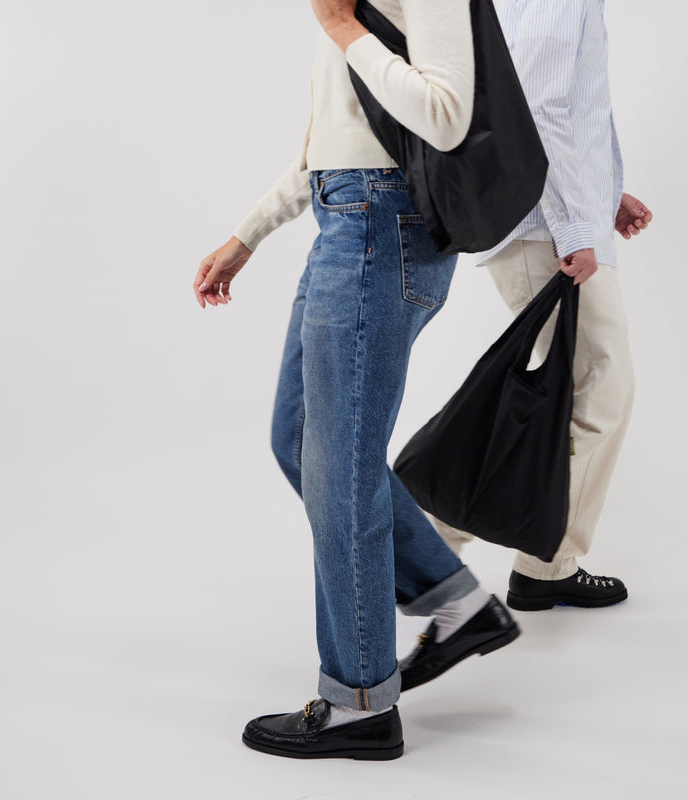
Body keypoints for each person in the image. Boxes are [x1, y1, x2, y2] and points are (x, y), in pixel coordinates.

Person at [192, 0, 519, 761]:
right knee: (301, 437)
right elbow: (337, 142)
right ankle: (456, 602)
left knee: (339, 469)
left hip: (383, 228)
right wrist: (249, 232)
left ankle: (360, 702)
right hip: (345, 220)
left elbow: (442, 115)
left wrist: (345, 28)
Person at [427, 0, 653, 611]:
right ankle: (432, 551)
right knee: (598, 389)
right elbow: (538, 104)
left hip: (550, 218)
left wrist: (602, 193)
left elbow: (559, 104)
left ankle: (541, 565)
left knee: (568, 394)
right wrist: (575, 223)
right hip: (546, 229)